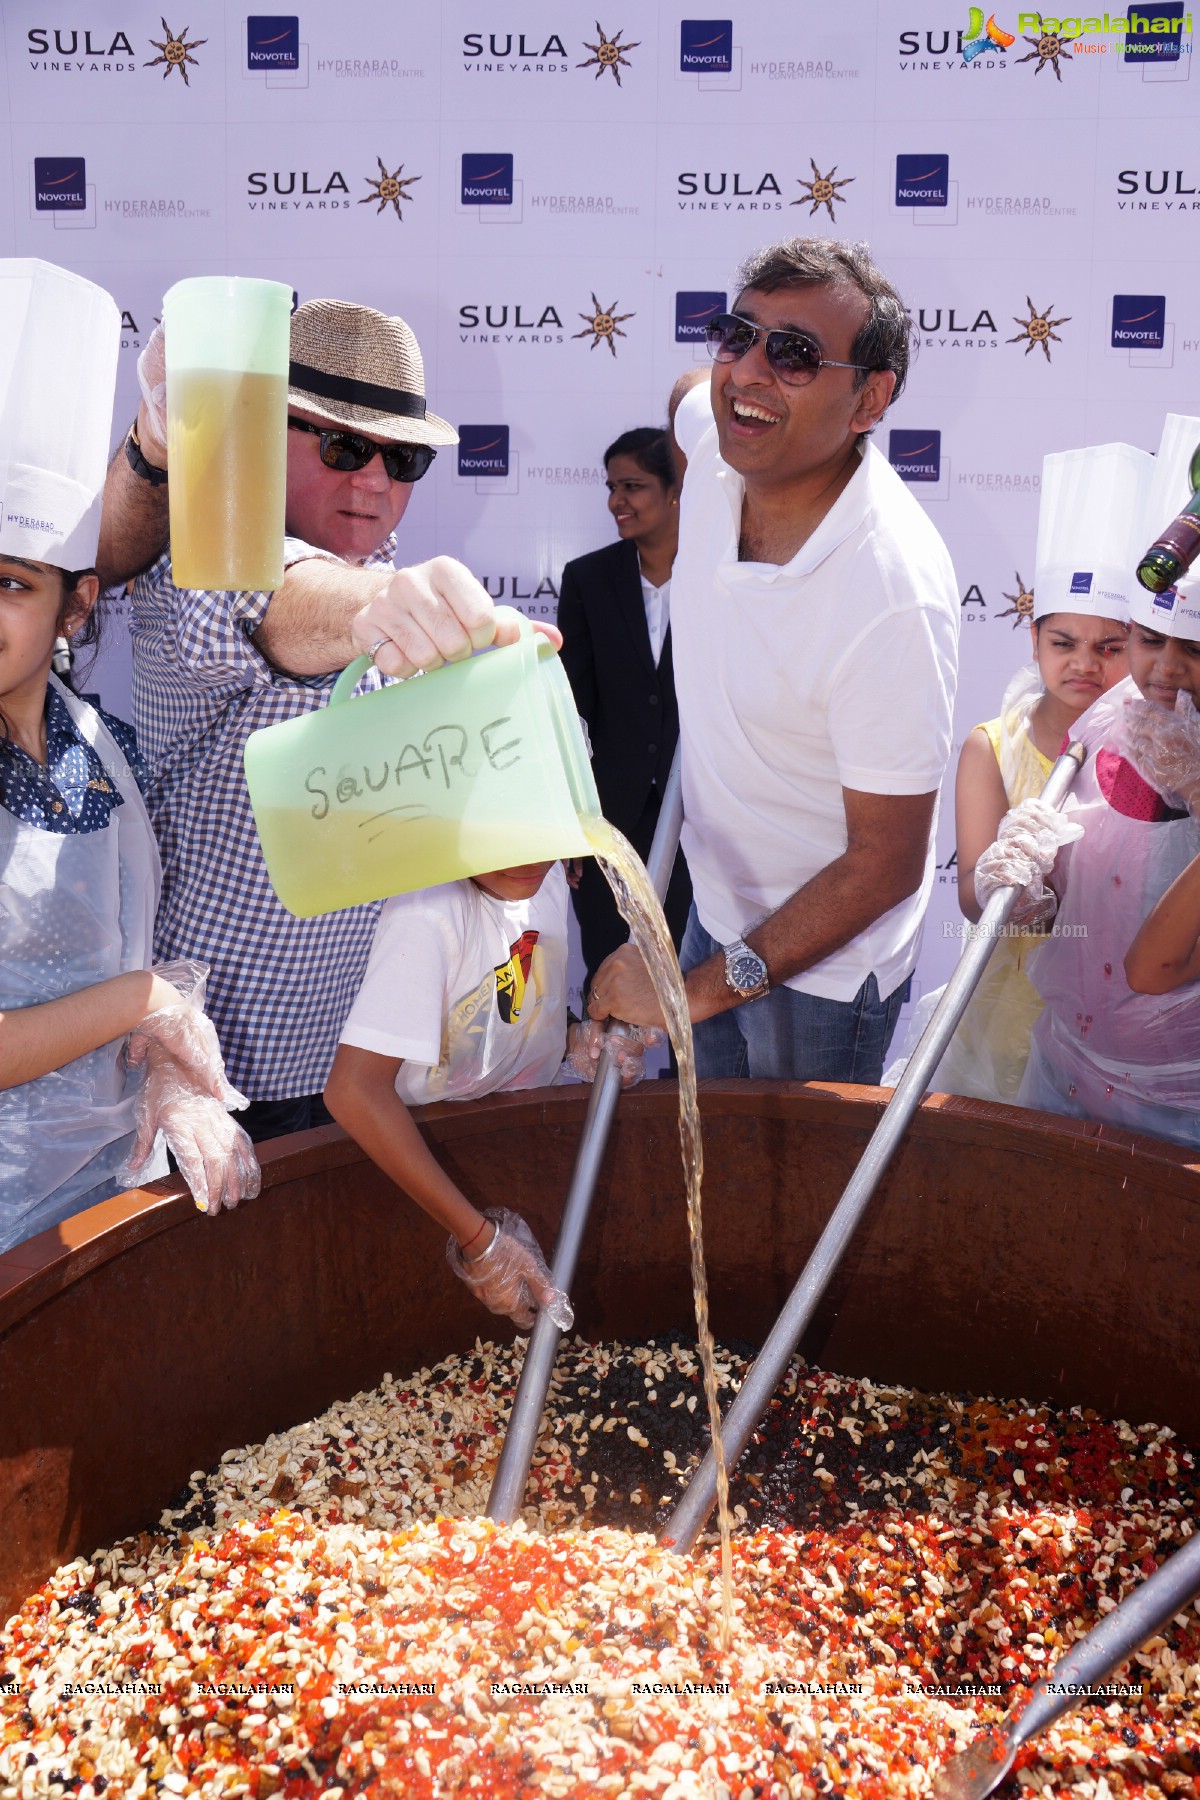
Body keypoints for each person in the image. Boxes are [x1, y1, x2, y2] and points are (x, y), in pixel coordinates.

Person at [98, 299, 561, 1142]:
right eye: (345, 447)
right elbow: (277, 596)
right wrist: (385, 607)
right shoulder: (197, 564)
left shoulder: (411, 603)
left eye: (404, 457)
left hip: (351, 1075)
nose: (377, 480)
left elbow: (506, 875)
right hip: (194, 1079)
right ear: (263, 441)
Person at [587, 237, 959, 1085]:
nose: (748, 374)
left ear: (870, 399)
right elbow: (692, 393)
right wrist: (701, 971)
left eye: (794, 356)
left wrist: (702, 992)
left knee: (800, 1213)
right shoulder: (718, 442)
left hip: (825, 978)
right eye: (736, 335)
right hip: (713, 913)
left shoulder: (891, 590)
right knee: (718, 1183)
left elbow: (885, 866)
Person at [0, 259, 256, 1253]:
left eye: (13, 584)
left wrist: (168, 1076)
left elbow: (113, 952)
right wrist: (142, 1002)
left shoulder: (97, 749)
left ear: (78, 603)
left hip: (97, 1208)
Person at [324, 858, 656, 1328]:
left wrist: (572, 1040)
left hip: (515, 1134)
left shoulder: (547, 877)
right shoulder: (427, 915)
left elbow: (511, 996)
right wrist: (480, 1242)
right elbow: (353, 1091)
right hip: (425, 1167)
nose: (529, 857)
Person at [992, 582, 1200, 1149]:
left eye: (1196, 649)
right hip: (1066, 1068)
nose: (1168, 667)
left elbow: (1152, 967)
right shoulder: (1108, 718)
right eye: (1151, 640)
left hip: (1181, 1103)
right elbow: (1084, 893)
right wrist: (1031, 889)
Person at [942, 489, 1131, 1103]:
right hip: (1010, 1008)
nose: (1084, 664)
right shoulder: (991, 747)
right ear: (1033, 640)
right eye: (1063, 642)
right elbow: (972, 894)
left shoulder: (1156, 754)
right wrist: (1011, 888)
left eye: (1110, 647)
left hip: (1121, 1018)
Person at [558, 428, 691, 984]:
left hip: (702, 826)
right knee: (609, 985)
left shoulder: (725, 577)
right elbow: (572, 711)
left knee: (701, 987)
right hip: (607, 827)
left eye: (633, 486)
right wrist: (569, 825)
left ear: (676, 489)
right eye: (612, 486)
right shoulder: (587, 579)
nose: (617, 500)